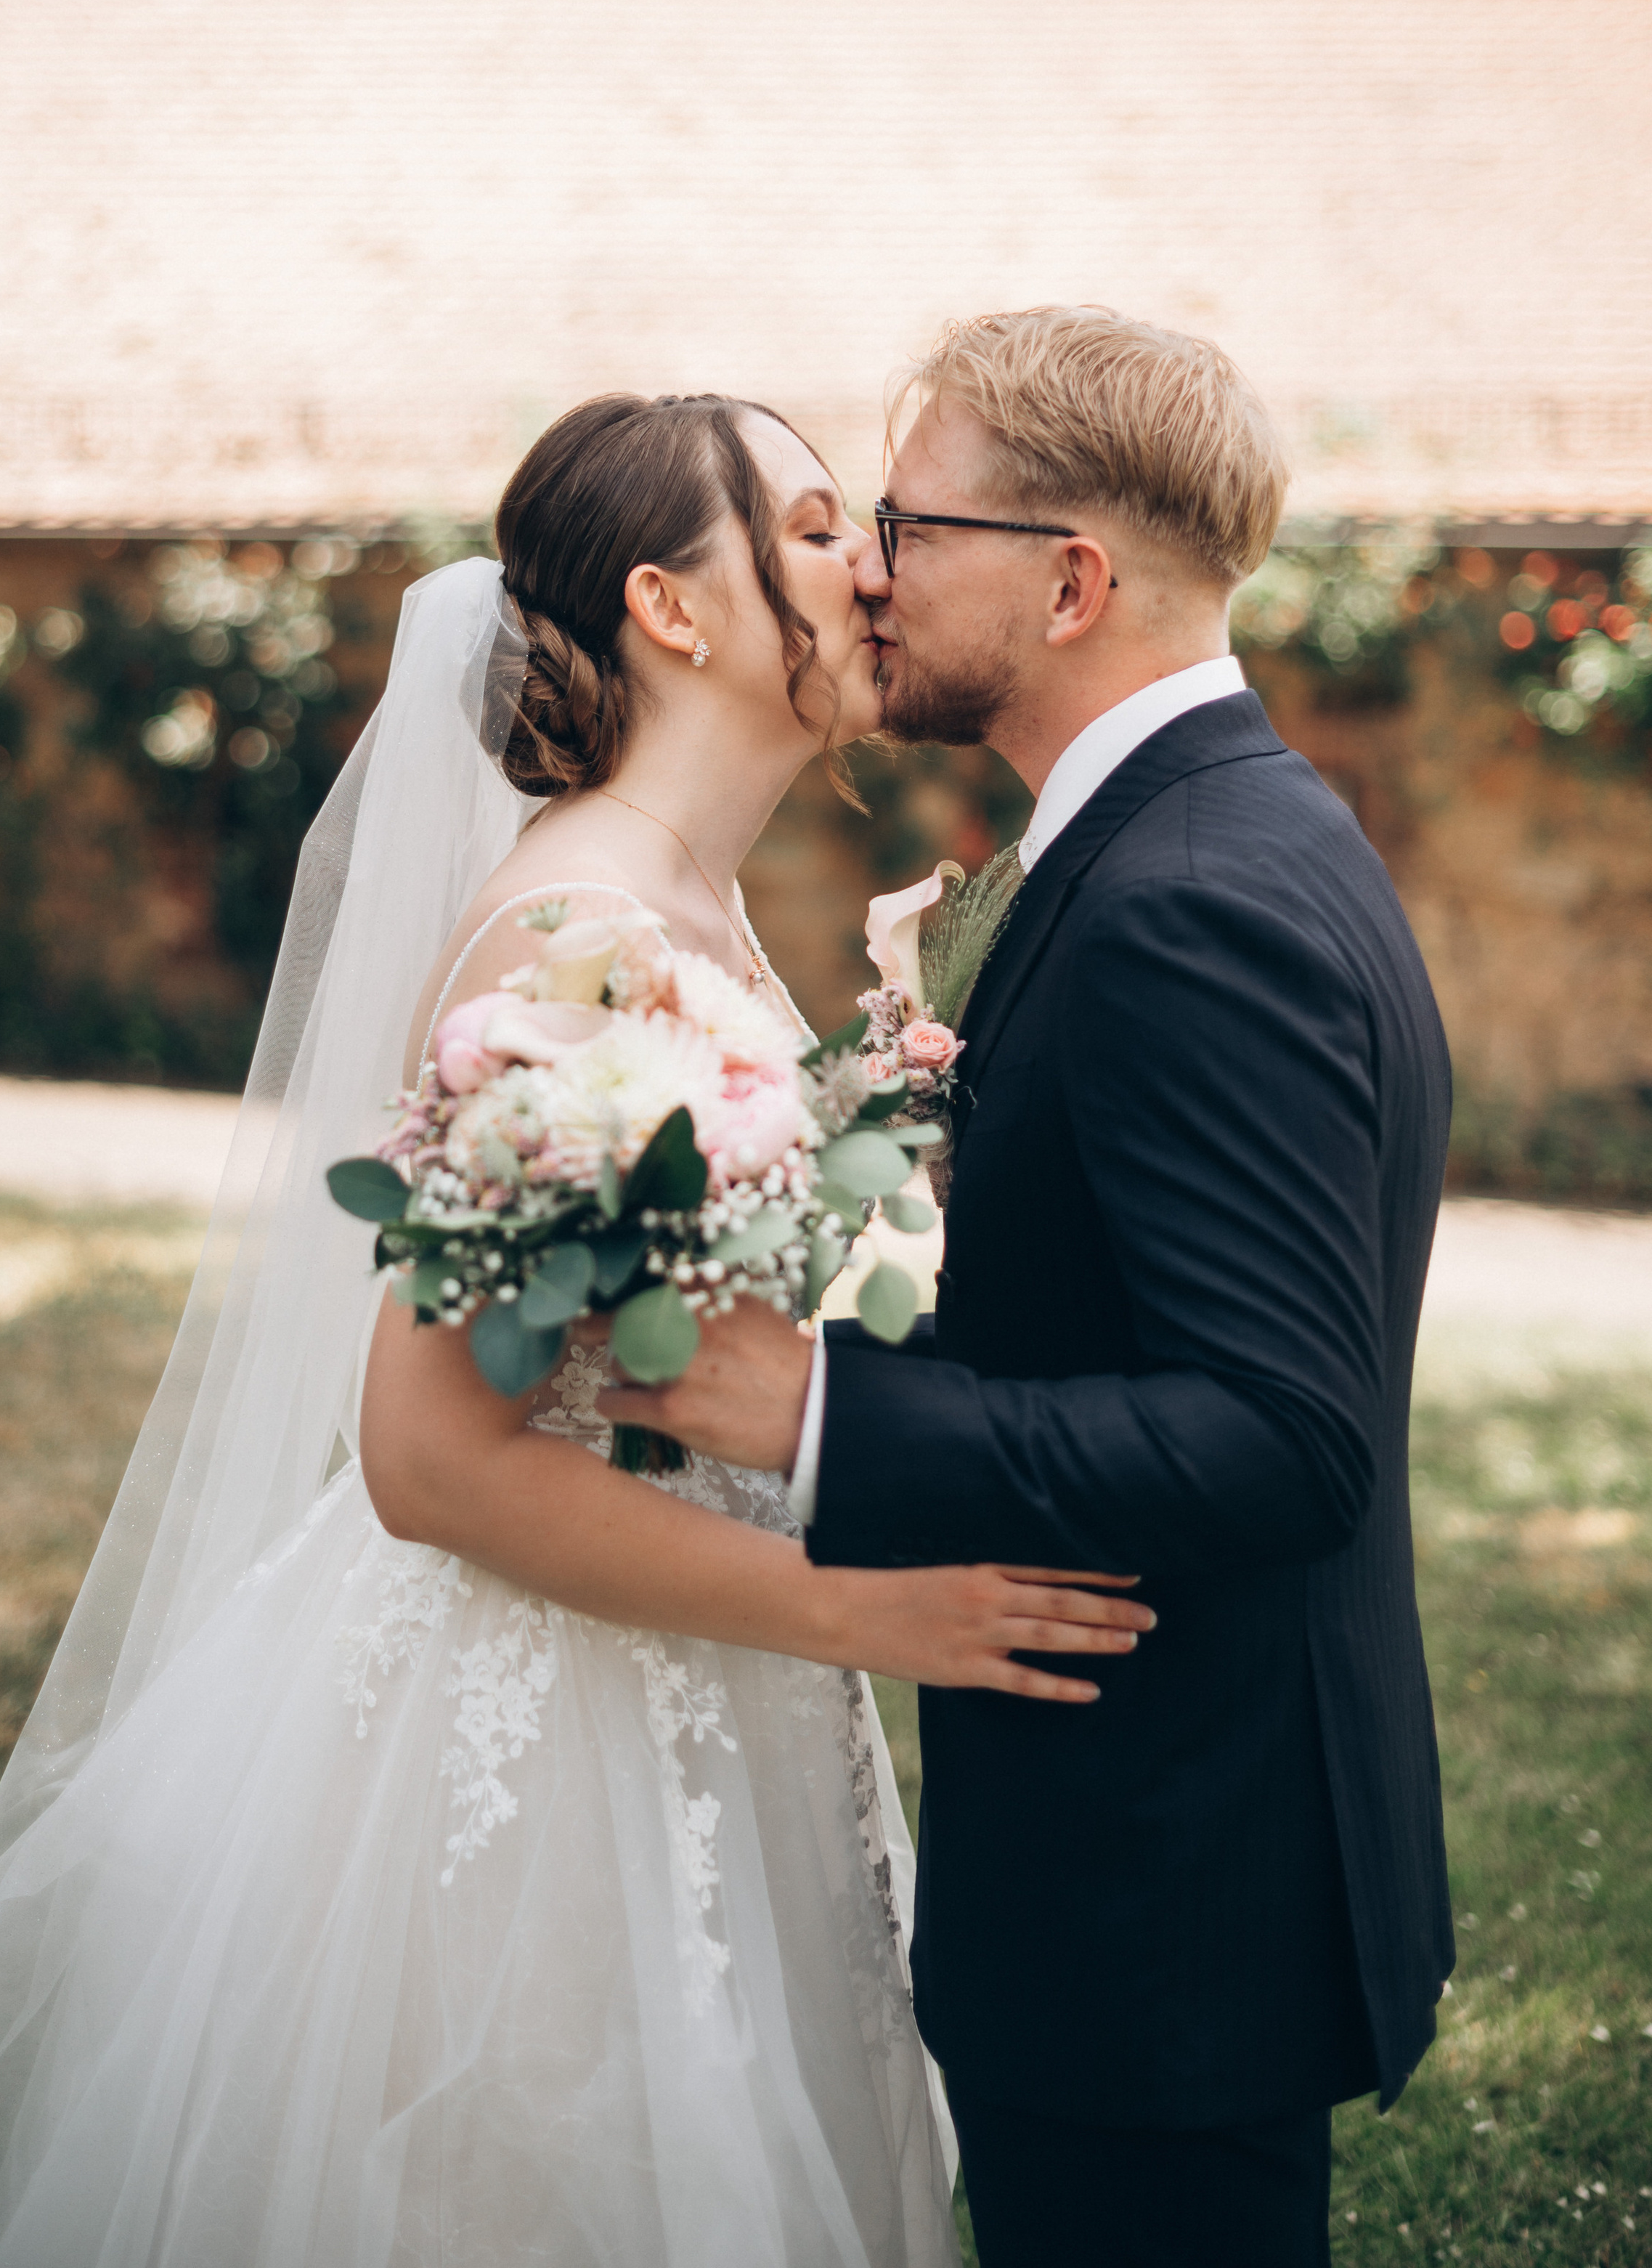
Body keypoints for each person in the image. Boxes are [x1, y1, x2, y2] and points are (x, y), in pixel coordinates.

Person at [0, 389, 1150, 2268]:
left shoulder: (684, 907)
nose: (874, 565)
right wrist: (857, 1613)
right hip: (549, 1718)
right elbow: (423, 1456)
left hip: (714, 1663)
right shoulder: (575, 939)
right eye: (816, 528)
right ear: (674, 608)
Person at [609, 312, 1457, 2268]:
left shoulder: (1186, 899)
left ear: (1072, 580)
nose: (872, 569)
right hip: (1184, 1849)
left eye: (912, 521)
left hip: (1166, 1891)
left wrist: (812, 1414)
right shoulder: (1226, 830)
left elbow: (1286, 1432)